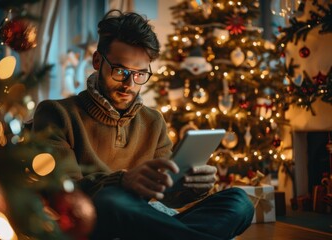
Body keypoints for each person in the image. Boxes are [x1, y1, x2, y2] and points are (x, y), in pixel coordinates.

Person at [31, 10, 254, 240]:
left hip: (146, 225)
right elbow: (64, 193)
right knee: (110, 200)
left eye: (139, 74)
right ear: (97, 61)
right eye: (121, 71)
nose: (129, 84)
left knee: (239, 202)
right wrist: (122, 181)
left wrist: (193, 184)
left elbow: (167, 196)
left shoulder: (153, 121)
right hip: (96, 223)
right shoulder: (56, 113)